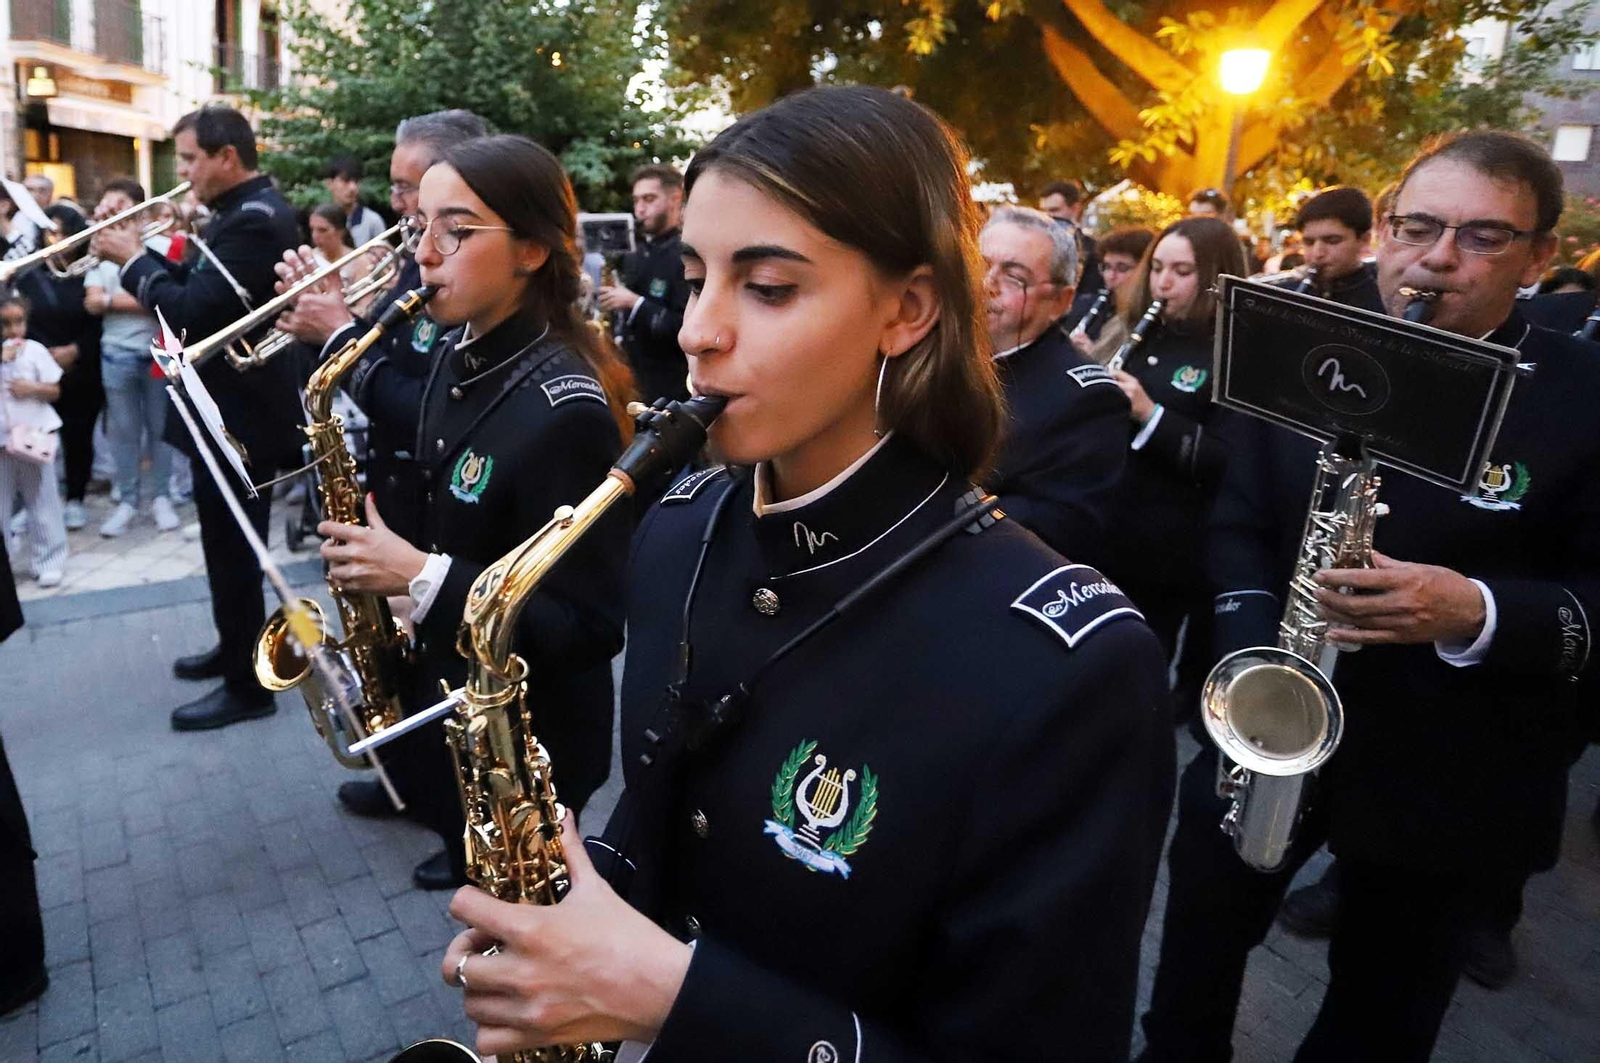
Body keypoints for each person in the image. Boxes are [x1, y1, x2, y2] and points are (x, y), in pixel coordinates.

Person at [438, 84, 1167, 1063]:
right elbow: (664, 813)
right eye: (695, 276)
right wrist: (577, 897)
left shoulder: (1072, 667)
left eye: (768, 286)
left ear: (906, 308)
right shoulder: (680, 531)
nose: (697, 329)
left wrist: (669, 998)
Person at [1139, 130, 1600, 1063]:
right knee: (1191, 963)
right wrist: (1251, 648)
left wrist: (1476, 609)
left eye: (1481, 237)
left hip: (1452, 766)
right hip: (1268, 724)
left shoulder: (1585, 395)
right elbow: (1237, 515)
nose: (1435, 258)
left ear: (1541, 257)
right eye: (1418, 227)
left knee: (1381, 1017)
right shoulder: (1300, 344)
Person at [316, 134, 634, 890]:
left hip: (533, 748)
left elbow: (588, 626)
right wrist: (398, 599)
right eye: (418, 227)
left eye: (454, 231)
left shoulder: (569, 407)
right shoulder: (459, 357)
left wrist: (422, 576)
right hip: (460, 716)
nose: (424, 252)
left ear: (530, 249)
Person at [89, 104, 302, 732]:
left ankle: (248, 684)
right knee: (222, 546)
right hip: (225, 411)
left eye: (188, 159)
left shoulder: (256, 220)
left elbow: (188, 312)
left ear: (225, 158)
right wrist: (158, 251)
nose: (181, 173)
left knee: (237, 552)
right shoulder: (239, 215)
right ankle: (231, 647)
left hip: (242, 418)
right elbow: (200, 289)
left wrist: (132, 259)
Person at [272, 108, 487, 556]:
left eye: (404, 187)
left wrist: (337, 334)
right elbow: (381, 345)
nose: (394, 201)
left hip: (432, 517)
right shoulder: (415, 258)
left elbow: (429, 409)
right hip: (395, 489)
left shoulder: (467, 277)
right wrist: (323, 318)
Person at [1097, 217, 1243, 672]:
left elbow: (1227, 459)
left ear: (1216, 275)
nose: (1162, 282)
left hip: (1168, 545)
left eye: (1182, 272)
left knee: (1137, 659)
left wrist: (1149, 413)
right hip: (1108, 520)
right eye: (1158, 267)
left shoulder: (1232, 352)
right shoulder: (1143, 329)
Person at [980, 205, 1129, 566]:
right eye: (980, 266)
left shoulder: (1086, 398)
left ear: (1061, 302)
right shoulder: (924, 346)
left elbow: (1065, 524)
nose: (987, 284)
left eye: (1013, 277)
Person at [84, 179, 180, 538]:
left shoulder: (164, 245)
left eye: (120, 204)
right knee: (123, 434)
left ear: (140, 209)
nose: (113, 211)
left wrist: (113, 300)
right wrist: (139, 298)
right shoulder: (101, 247)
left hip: (157, 352)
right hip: (117, 353)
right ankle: (127, 501)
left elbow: (167, 298)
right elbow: (92, 301)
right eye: (108, 205)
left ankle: (162, 498)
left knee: (161, 430)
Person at [18, 204, 102, 533]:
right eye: (50, 231)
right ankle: (36, 502)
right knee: (36, 437)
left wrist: (76, 350)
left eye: (64, 231)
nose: (58, 239)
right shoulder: (30, 272)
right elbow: (22, 318)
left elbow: (97, 321)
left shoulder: (89, 271)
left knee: (79, 434)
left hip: (81, 366)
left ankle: (75, 499)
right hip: (39, 364)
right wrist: (44, 354)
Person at [598, 164, 690, 407]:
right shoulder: (634, 252)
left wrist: (634, 303)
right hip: (632, 381)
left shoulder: (687, 254)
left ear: (675, 199)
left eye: (649, 199)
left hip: (669, 390)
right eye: (637, 200)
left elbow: (685, 327)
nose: (640, 209)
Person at [0, 294, 68, 586]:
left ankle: (50, 558)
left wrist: (32, 388)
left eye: (19, 322)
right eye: (5, 324)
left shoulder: (35, 351)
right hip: (2, 441)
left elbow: (55, 390)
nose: (14, 331)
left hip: (34, 437)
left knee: (42, 498)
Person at [1270, 185, 1383, 311]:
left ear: (1364, 239)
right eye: (1309, 242)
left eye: (1332, 241)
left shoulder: (1383, 299)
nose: (1317, 253)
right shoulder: (1289, 294)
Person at [1062, 225, 1154, 342]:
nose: (1110, 276)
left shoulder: (1149, 319)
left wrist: (1093, 355)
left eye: (1122, 268)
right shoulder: (1086, 306)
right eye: (1106, 267)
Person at [1039, 178, 1104, 293]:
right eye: (1044, 211)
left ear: (1075, 209)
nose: (1048, 217)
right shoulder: (1032, 245)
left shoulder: (1093, 249)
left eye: (1054, 210)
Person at [324, 154, 387, 246]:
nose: (353, 188)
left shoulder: (372, 221)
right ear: (329, 183)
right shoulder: (321, 221)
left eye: (356, 181)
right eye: (345, 181)